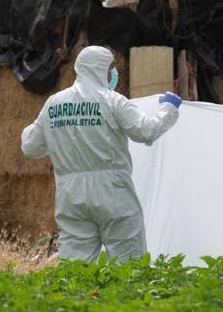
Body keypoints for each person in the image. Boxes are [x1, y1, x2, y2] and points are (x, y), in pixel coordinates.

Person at [21, 46, 182, 262]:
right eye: (111, 68)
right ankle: (124, 296)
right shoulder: (112, 100)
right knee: (128, 263)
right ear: (101, 68)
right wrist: (168, 110)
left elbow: (30, 147)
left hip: (71, 195)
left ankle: (73, 296)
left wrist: (56, 133)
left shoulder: (54, 104)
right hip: (112, 193)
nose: (113, 73)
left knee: (74, 266)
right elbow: (146, 131)